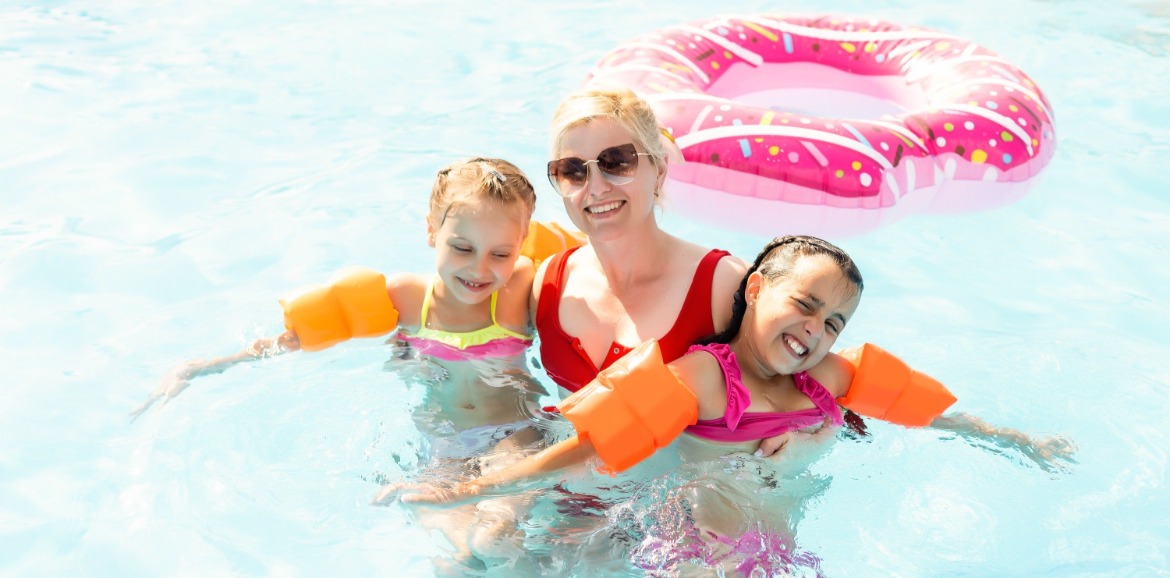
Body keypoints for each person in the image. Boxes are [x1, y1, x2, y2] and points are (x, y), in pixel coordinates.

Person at [378, 235, 1077, 508]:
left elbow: (931, 414)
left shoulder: (828, 381)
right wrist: (467, 491)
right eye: (804, 303)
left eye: (834, 322)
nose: (815, 329)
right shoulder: (707, 378)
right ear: (752, 289)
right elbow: (587, 448)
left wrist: (1017, 441)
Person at [131, 157, 553, 572]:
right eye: (463, 248)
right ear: (431, 231)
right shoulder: (406, 298)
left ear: (520, 246)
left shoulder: (519, 292)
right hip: (442, 447)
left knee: (493, 534)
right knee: (456, 558)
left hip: (514, 436)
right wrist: (201, 368)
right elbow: (297, 339)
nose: (480, 269)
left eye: (501, 254)